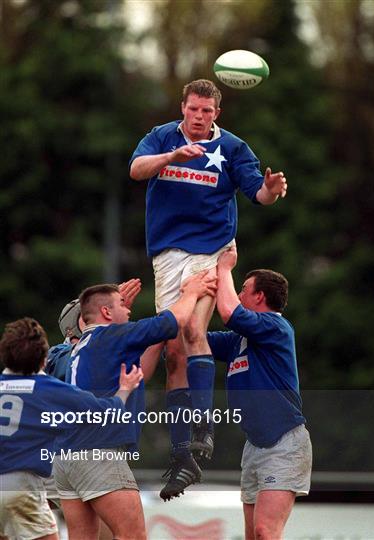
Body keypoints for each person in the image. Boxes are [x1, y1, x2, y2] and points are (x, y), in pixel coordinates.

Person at [129, 78, 288, 499]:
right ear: (183, 107)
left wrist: (270, 192)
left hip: (211, 248)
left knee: (194, 331)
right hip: (167, 254)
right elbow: (135, 169)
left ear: (218, 113)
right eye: (193, 109)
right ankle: (184, 455)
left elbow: (258, 191)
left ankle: (204, 423)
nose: (199, 117)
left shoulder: (233, 148)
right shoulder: (162, 137)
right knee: (172, 349)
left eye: (207, 111)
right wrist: (171, 156)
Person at [53, 270, 216, 533]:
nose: (129, 310)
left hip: (66, 458)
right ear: (106, 313)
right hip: (98, 453)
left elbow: (140, 368)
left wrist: (119, 311)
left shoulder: (82, 348)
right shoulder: (113, 337)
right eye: (121, 306)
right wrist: (191, 292)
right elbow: (175, 319)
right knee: (133, 535)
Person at [0, 317, 143, 540]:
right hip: (21, 485)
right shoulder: (47, 388)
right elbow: (104, 412)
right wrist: (124, 389)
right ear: (43, 359)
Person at [207, 246, 312, 540]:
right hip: (254, 445)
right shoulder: (239, 340)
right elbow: (196, 340)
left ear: (259, 297)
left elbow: (229, 312)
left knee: (266, 531)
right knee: (254, 535)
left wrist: (224, 269)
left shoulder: (275, 326)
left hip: (283, 441)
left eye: (244, 289)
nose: (239, 295)